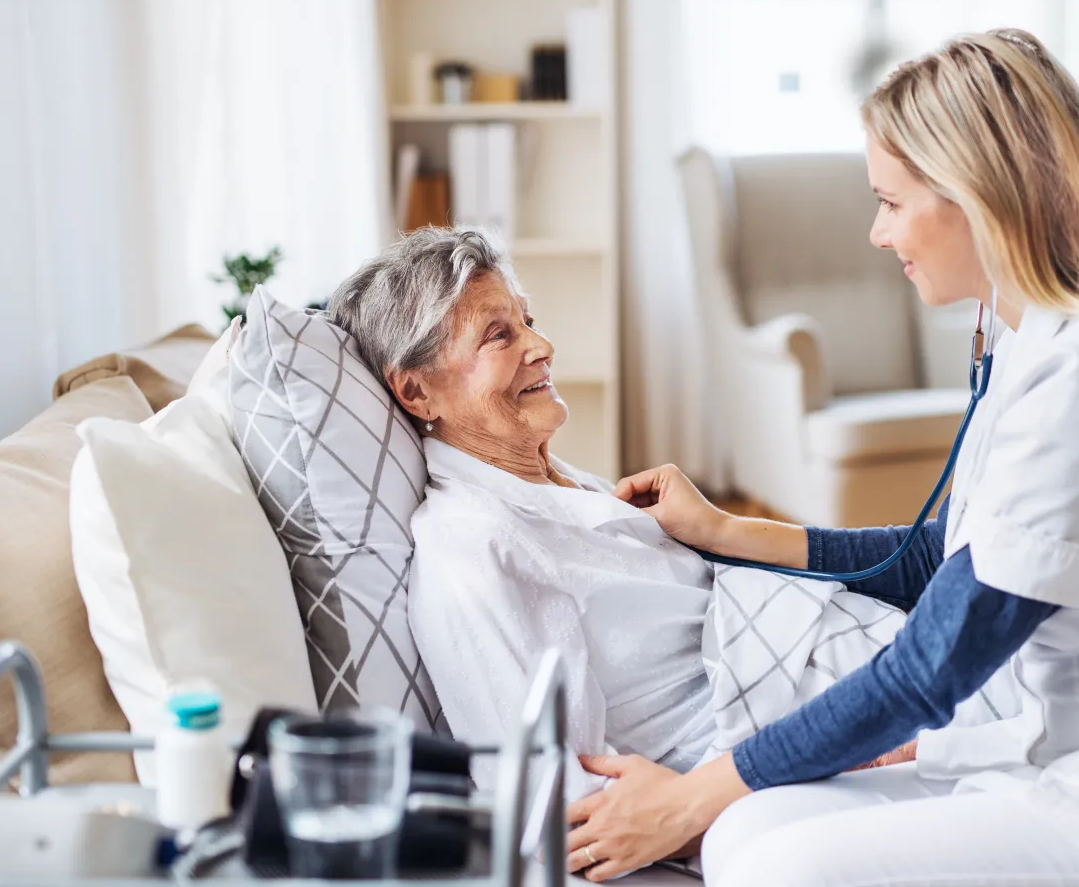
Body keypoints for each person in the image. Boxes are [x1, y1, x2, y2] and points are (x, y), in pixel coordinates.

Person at [563, 29, 1079, 886]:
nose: (877, 233)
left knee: (779, 865)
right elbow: (939, 556)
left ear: (976, 196)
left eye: (890, 200)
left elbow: (933, 665)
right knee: (745, 834)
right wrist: (728, 529)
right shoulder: (1035, 340)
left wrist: (692, 793)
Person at [326, 226, 1017, 801]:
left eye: (528, 321)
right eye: (498, 336)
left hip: (881, 666)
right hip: (829, 730)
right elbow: (547, 791)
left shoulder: (564, 486)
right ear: (417, 393)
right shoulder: (472, 549)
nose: (542, 346)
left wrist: (718, 533)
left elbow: (924, 557)